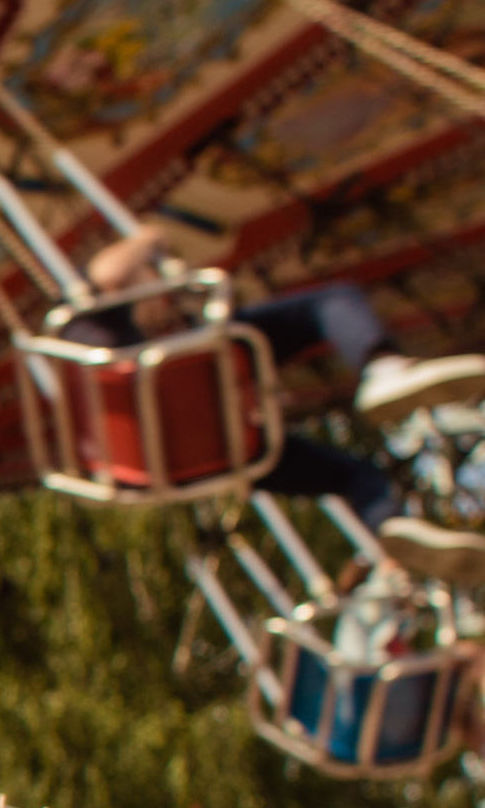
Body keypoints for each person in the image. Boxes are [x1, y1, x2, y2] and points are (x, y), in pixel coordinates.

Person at [76, 223, 485, 582]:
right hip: (197, 390)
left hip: (187, 462)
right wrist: (151, 239)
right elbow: (108, 273)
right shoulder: (95, 318)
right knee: (328, 301)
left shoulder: (85, 367)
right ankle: (382, 367)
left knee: (351, 475)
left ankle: (392, 526)